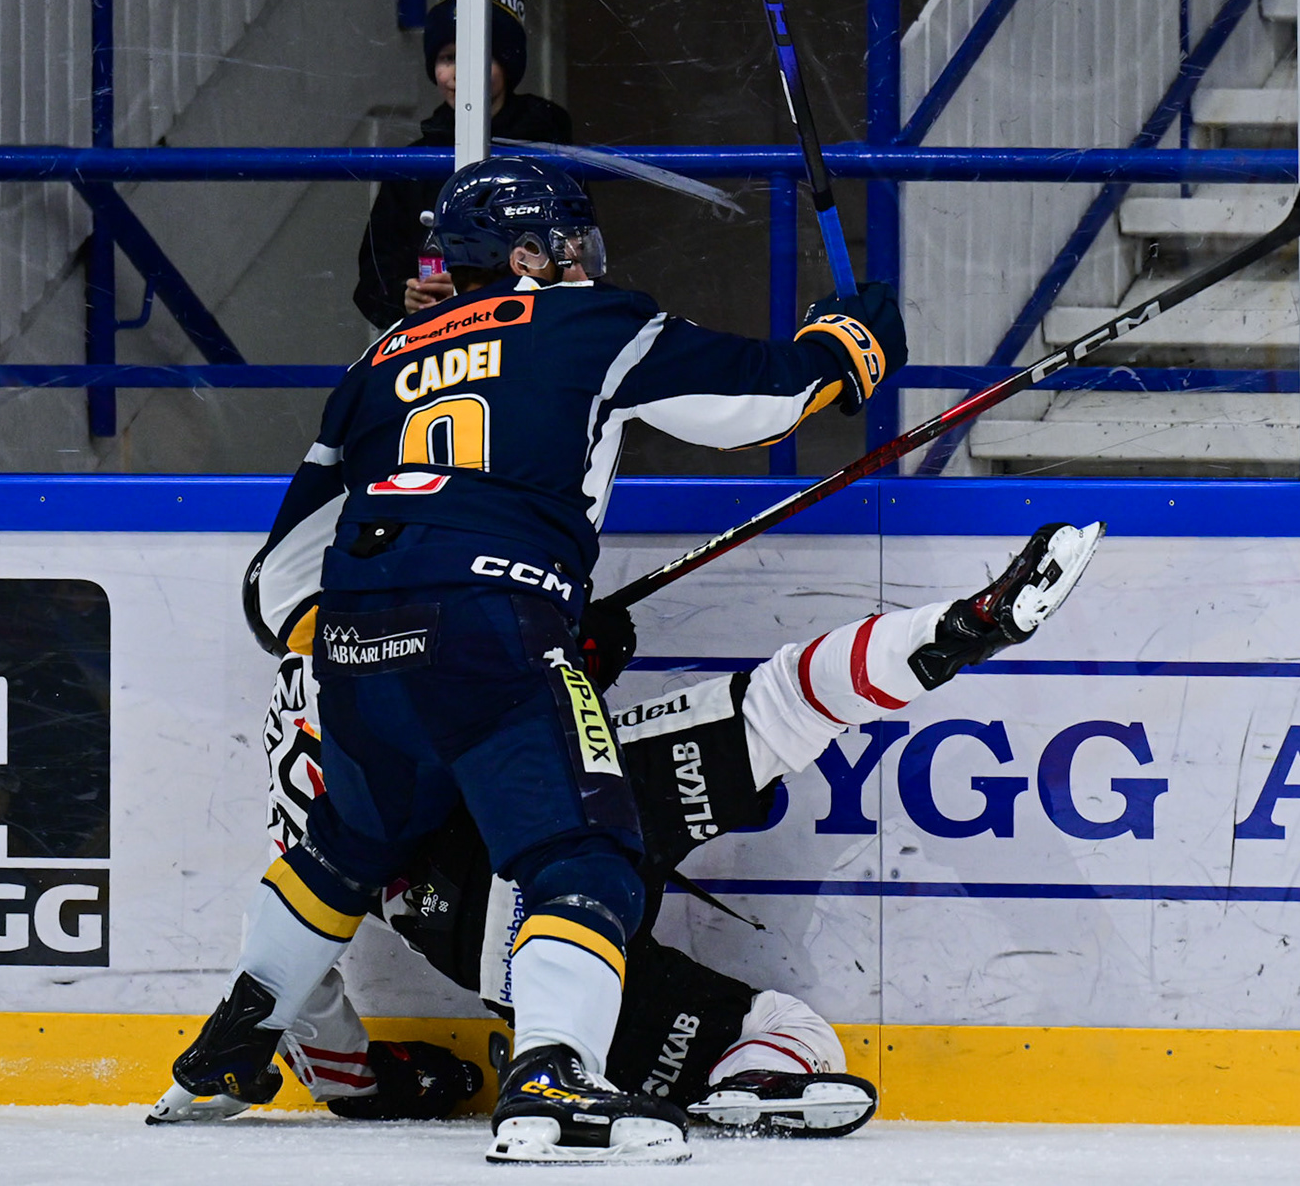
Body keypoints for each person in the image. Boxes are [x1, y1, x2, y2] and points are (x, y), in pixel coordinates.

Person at [152, 153, 906, 1165]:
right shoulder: (590, 322)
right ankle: (552, 1071)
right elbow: (763, 400)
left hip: (357, 641)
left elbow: (276, 581)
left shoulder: (378, 362)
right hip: (493, 630)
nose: (584, 259)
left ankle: (227, 1051)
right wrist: (851, 343)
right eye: (568, 243)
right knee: (583, 851)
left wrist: (409, 627)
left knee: (343, 848)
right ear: (526, 256)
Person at [155, 520, 1104, 1135]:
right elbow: (488, 717)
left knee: (769, 1025)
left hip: (490, 953)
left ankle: (646, 1068)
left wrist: (358, 1082)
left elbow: (297, 934)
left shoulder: (302, 704)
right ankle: (964, 626)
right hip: (546, 819)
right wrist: (554, 653)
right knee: (776, 708)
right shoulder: (418, 615)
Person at [354, 0, 573, 330]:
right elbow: (373, 278)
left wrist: (481, 290)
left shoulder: (547, 153)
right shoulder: (416, 164)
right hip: (442, 345)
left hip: (528, 336)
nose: (461, 74)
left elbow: (575, 261)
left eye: (479, 57)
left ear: (508, 65)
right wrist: (405, 298)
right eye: (449, 57)